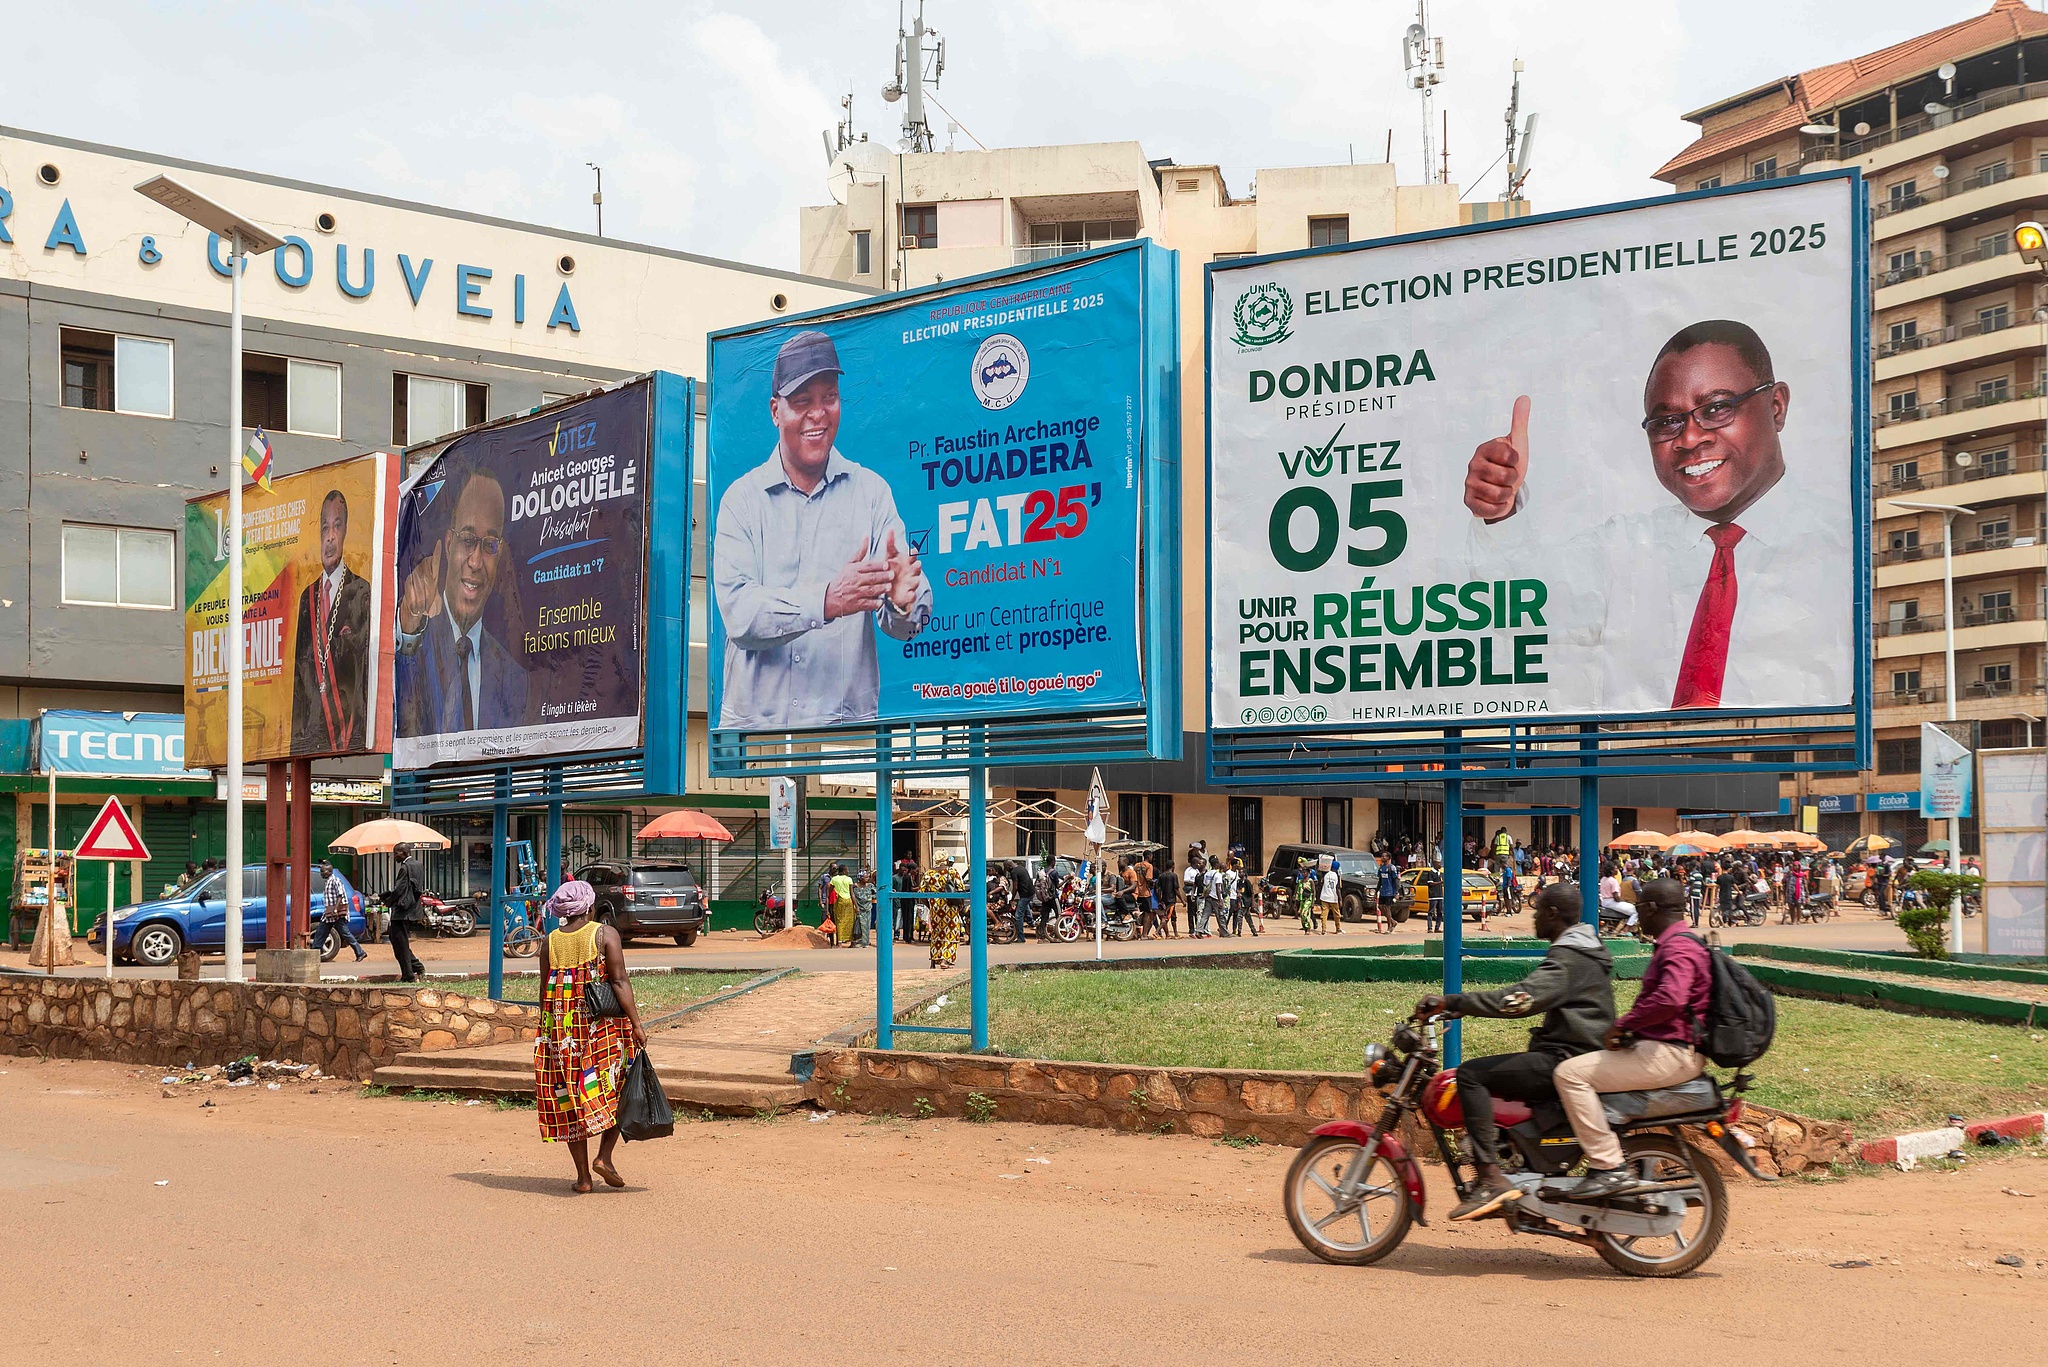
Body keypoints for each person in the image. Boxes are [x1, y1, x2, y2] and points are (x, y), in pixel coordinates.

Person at [1462, 319, 1850, 712]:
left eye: (1717, 408)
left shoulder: (1848, 550)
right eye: (1667, 422)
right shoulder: (1626, 552)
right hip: (1639, 772)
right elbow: (1517, 607)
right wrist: (1499, 512)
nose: (1689, 438)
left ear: (1776, 407)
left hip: (1790, 768)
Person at [713, 330, 933, 728]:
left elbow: (907, 617)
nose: (818, 414)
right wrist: (826, 602)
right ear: (775, 411)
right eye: (801, 402)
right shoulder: (740, 501)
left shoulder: (871, 493)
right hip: (756, 742)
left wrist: (902, 603)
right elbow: (740, 616)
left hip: (843, 743)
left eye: (828, 398)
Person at [1416, 884, 1616, 1220]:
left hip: (1566, 1058)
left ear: (1553, 914)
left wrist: (1455, 1002)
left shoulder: (1569, 958)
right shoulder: (1584, 950)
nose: (1534, 915)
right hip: (1575, 1053)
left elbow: (1518, 1001)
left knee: (1470, 1075)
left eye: (1538, 909)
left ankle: (1490, 1178)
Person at [1553, 880, 1711, 1198]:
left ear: (1651, 909)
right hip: (1668, 1048)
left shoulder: (1678, 947)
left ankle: (1607, 1167)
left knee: (1568, 1075)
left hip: (1671, 1052)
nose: (1638, 915)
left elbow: (1671, 998)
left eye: (1639, 908)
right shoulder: (1682, 941)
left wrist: (1623, 1025)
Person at [395, 460, 529, 738]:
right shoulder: (417, 639)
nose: (476, 561)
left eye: (490, 545)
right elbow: (398, 701)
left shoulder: (515, 681)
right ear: (448, 543)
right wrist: (409, 624)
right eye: (467, 539)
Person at [534, 880, 647, 1194]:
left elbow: (545, 990)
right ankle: (604, 1157)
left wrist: (547, 1034)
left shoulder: (549, 942)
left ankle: (584, 1178)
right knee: (616, 1088)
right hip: (602, 1029)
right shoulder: (605, 934)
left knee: (569, 1097)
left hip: (561, 1032)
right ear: (588, 906)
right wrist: (636, 1024)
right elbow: (620, 981)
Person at [291, 488, 373, 755]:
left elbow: (364, 673)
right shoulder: (308, 597)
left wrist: (361, 736)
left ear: (346, 531)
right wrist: (297, 741)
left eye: (337, 526)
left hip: (348, 732)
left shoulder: (361, 592)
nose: (330, 537)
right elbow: (298, 677)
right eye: (325, 528)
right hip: (313, 733)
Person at [385, 844, 427, 982]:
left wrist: (388, 900)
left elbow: (399, 890)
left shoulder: (405, 867)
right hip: (412, 908)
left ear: (403, 853)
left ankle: (409, 975)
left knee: (400, 943)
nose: (394, 856)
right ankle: (415, 966)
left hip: (402, 911)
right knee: (398, 940)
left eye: (396, 853)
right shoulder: (418, 865)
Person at [313, 859, 367, 963]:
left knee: (344, 933)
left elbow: (340, 894)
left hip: (335, 913)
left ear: (329, 872)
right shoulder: (328, 881)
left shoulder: (335, 880)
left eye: (323, 872)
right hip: (329, 913)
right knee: (321, 931)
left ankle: (360, 952)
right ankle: (315, 952)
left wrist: (336, 909)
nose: (321, 874)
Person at [829, 864, 855, 947]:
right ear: (844, 871)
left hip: (839, 901)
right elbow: (852, 893)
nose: (848, 871)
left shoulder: (834, 879)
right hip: (849, 901)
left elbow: (829, 891)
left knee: (839, 921)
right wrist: (856, 906)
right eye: (847, 869)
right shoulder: (849, 879)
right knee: (850, 921)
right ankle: (852, 942)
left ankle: (839, 942)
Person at [850, 868, 876, 949]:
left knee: (867, 925)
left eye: (868, 877)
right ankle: (858, 941)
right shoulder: (855, 886)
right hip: (859, 908)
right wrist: (856, 907)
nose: (867, 879)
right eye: (865, 877)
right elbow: (852, 896)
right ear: (860, 878)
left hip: (868, 908)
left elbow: (876, 894)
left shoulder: (870, 886)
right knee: (860, 925)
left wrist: (870, 897)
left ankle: (865, 942)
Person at [1375, 858, 1399, 933]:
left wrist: (1396, 892)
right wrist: (1377, 890)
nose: (1382, 858)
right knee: (1380, 906)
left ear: (1388, 858)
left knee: (1387, 908)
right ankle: (1392, 921)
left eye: (1384, 856)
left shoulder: (1391, 868)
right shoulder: (1381, 868)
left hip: (1390, 891)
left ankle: (1389, 926)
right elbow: (1380, 881)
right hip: (1383, 891)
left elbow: (1396, 880)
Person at [1319, 860, 1343, 934]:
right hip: (1333, 898)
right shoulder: (1337, 876)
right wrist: (1340, 899)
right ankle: (1338, 928)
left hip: (1324, 897)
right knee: (1336, 914)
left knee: (1324, 914)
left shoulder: (1325, 874)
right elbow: (1338, 888)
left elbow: (1321, 883)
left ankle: (1324, 929)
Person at [1422, 862, 1445, 934]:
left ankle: (1437, 927)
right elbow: (1430, 883)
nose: (1440, 865)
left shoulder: (1440, 873)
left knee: (1440, 912)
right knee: (1431, 912)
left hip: (1440, 895)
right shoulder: (1431, 873)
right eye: (1439, 864)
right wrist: (1440, 882)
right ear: (1435, 865)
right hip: (1433, 896)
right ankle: (1430, 928)